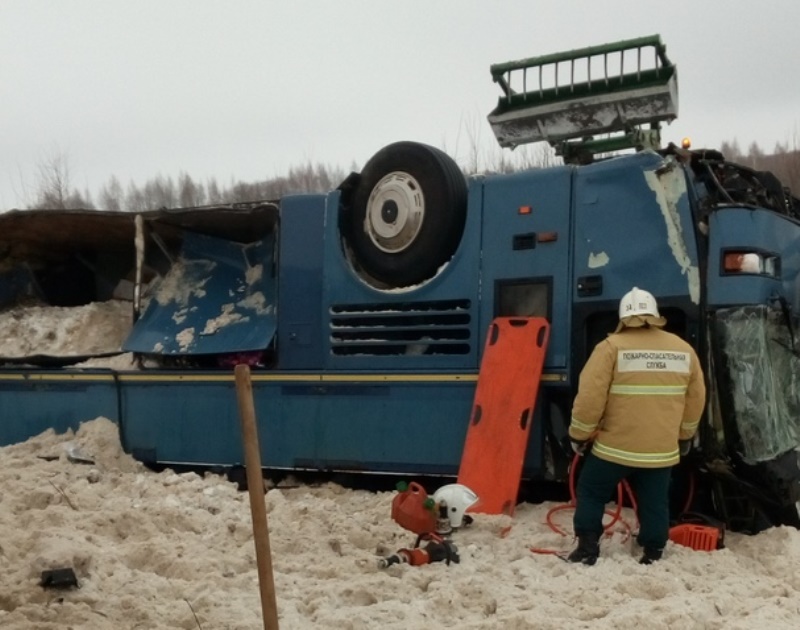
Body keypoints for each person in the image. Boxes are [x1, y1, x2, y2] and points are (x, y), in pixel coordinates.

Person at [567, 287, 706, 566]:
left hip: (613, 449)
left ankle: (587, 548)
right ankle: (653, 551)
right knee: (655, 502)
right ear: (655, 315)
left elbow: (590, 398)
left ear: (623, 316)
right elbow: (696, 398)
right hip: (660, 452)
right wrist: (684, 434)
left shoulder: (610, 348)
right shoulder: (683, 350)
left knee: (591, 490)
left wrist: (579, 434)